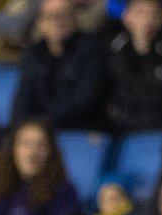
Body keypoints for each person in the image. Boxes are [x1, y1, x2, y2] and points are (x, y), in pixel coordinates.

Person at [11, 0, 108, 131]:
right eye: (50, 16)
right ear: (40, 23)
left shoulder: (92, 49)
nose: (57, 21)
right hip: (39, 129)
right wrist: (22, 128)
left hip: (78, 130)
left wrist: (43, 124)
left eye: (63, 15)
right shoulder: (33, 53)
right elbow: (23, 98)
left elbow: (84, 100)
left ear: (75, 19)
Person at [104, 0, 162, 136]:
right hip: (116, 128)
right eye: (141, 13)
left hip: (158, 128)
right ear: (127, 17)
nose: (148, 20)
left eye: (154, 14)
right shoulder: (109, 49)